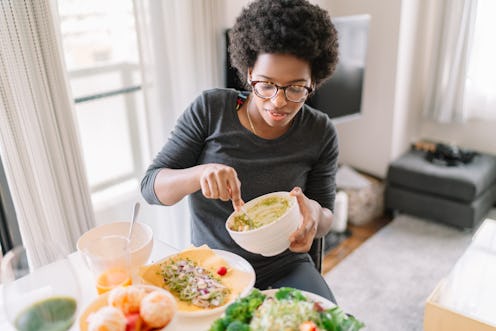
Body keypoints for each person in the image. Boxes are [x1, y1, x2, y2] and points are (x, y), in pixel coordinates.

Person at [141, 0, 339, 303]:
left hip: (285, 266)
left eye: (296, 88)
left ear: (314, 82)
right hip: (217, 269)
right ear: (249, 72)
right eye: (266, 85)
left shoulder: (320, 131)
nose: (278, 102)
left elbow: (326, 218)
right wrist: (201, 173)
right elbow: (151, 188)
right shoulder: (211, 110)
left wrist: (313, 214)